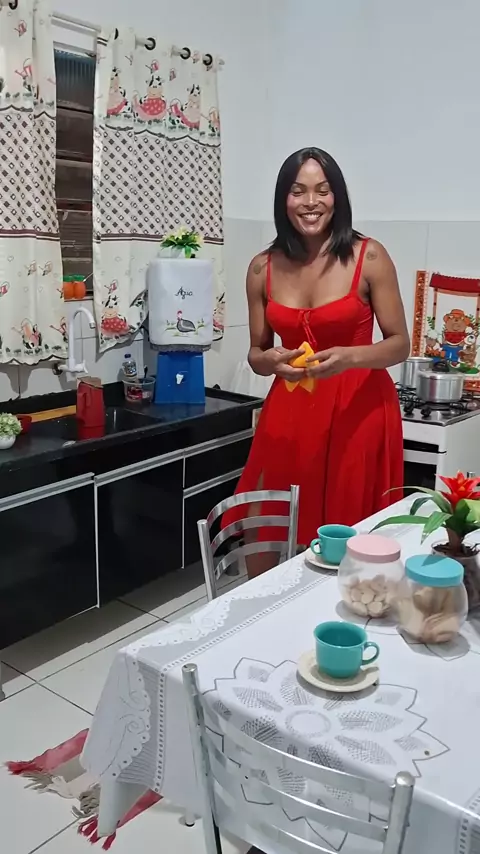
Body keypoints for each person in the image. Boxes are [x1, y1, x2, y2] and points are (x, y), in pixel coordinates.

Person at [225, 147, 409, 578]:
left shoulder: (369, 256)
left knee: (349, 528)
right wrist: (270, 361)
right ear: (283, 199)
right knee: (268, 518)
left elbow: (399, 344)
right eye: (298, 191)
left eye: (322, 191)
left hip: (358, 407)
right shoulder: (262, 268)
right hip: (289, 408)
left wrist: (351, 356)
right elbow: (256, 353)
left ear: (337, 197)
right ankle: (264, 608)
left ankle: (349, 608)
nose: (311, 202)